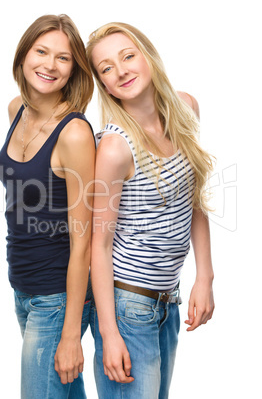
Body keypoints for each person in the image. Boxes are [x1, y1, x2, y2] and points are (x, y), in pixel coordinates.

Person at [86, 22, 215, 399]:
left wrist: (204, 276)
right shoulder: (114, 148)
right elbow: (100, 244)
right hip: (128, 308)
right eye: (107, 68)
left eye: (128, 56)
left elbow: (194, 198)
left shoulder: (186, 107)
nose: (121, 70)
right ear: (104, 86)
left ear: (149, 57)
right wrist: (109, 335)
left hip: (166, 302)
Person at [0, 14, 95, 399]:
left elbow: (84, 239)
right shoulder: (15, 109)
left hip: (56, 296)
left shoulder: (73, 132)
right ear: (24, 55)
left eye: (63, 58)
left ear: (73, 70)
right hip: (22, 284)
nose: (49, 65)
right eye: (41, 51)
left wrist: (71, 333)